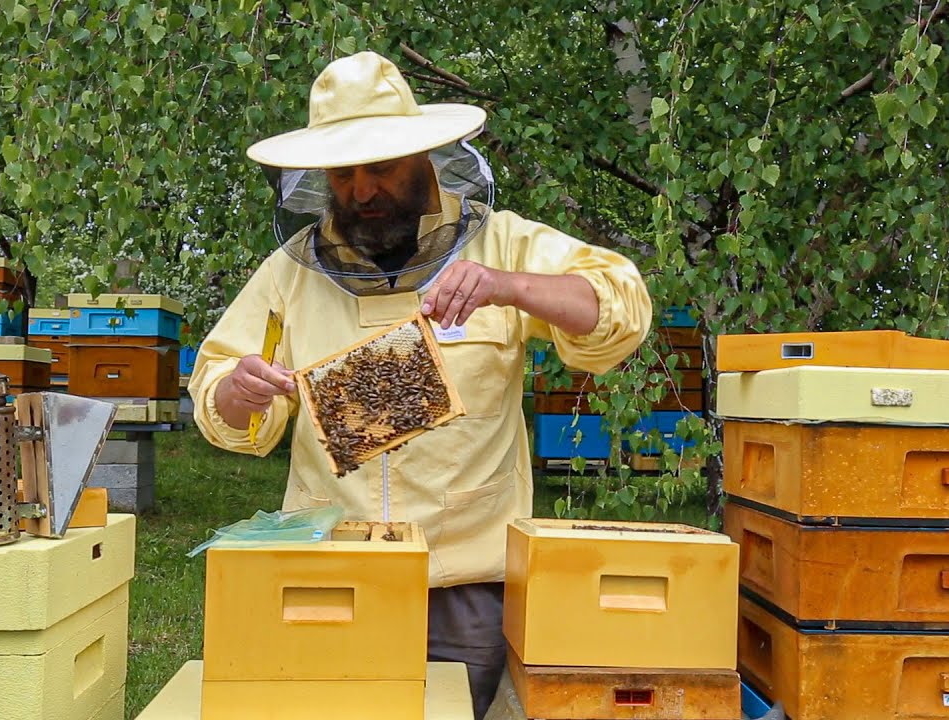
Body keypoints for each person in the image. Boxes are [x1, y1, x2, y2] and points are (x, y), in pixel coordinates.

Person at [190, 50, 651, 719]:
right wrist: (240, 391)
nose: (362, 191)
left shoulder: (503, 243)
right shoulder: (289, 275)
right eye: (343, 174)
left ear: (424, 157)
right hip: (331, 572)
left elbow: (620, 308)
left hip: (466, 581)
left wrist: (509, 287)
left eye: (380, 168)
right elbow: (219, 396)